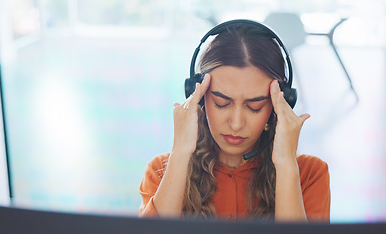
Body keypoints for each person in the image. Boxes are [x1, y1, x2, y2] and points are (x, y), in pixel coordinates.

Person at [139, 20, 330, 221]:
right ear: (200, 97)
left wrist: (285, 164)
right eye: (222, 103)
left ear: (278, 104)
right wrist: (180, 154)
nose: (237, 123)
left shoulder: (309, 175)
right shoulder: (162, 171)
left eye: (254, 106)